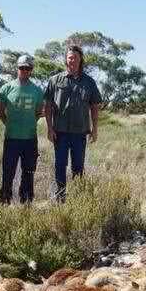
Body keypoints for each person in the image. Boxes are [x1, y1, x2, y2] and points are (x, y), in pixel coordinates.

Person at [44, 45, 103, 202]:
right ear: (66, 59)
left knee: (78, 167)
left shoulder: (89, 82)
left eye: (76, 57)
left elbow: (94, 106)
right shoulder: (55, 80)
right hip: (60, 132)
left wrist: (95, 129)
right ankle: (60, 197)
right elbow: (48, 106)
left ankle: (78, 198)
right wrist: (49, 128)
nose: (73, 60)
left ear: (80, 60)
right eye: (70, 57)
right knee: (60, 165)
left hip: (80, 132)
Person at [0, 55, 44, 204]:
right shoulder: (6, 88)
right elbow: (0, 110)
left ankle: (26, 202)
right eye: (22, 67)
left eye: (28, 68)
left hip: (30, 139)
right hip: (11, 138)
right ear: (17, 68)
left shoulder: (37, 91)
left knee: (28, 172)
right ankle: (4, 201)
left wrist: (29, 123)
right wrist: (8, 123)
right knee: (8, 172)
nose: (24, 70)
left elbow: (37, 113)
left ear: (31, 70)